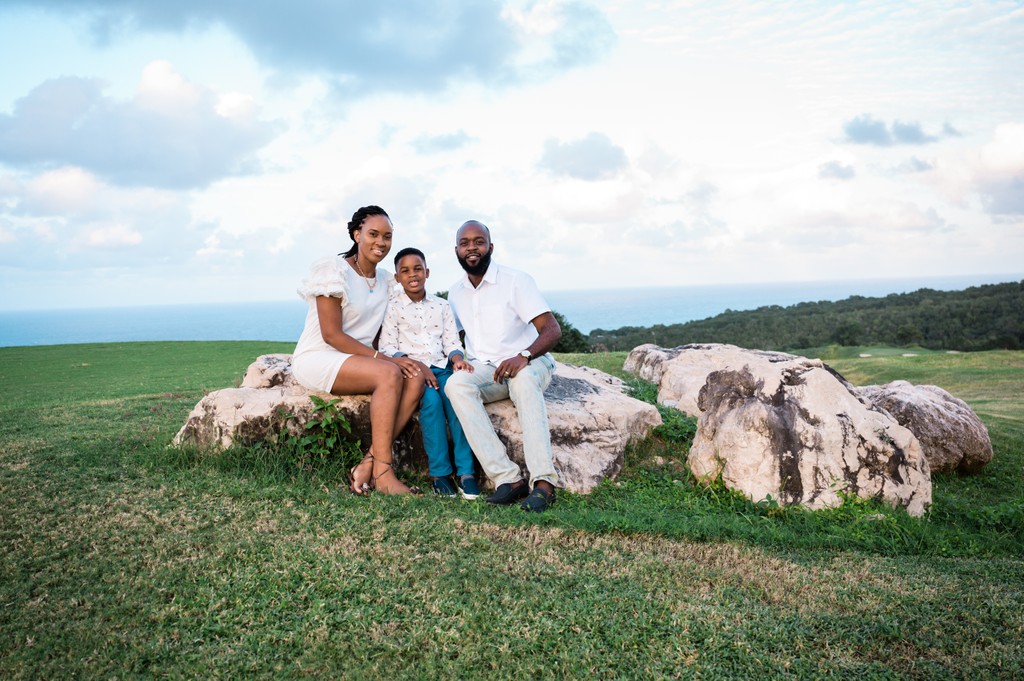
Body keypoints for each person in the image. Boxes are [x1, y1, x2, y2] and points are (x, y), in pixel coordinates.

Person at [291, 205, 424, 496]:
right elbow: (332, 335)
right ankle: (384, 474)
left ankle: (367, 464)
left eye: (387, 236)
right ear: (356, 235)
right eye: (373, 234)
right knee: (389, 373)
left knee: (414, 377)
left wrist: (409, 359)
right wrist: (383, 360)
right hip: (320, 356)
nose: (381, 242)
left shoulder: (387, 280)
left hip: (360, 359)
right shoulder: (334, 270)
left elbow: (385, 334)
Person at [443, 220, 563, 512]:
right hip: (488, 371)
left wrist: (524, 355)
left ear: (491, 247)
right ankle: (508, 479)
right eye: (464, 243)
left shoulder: (516, 281)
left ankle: (544, 484)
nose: (472, 248)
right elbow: (451, 337)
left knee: (523, 380)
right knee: (456, 385)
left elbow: (552, 330)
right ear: (456, 250)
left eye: (478, 241)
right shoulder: (455, 292)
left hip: (530, 362)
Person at [379, 247, 481, 499]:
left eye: (418, 269)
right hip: (413, 372)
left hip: (442, 367)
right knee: (432, 404)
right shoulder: (392, 308)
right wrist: (417, 365)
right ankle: (440, 475)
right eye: (405, 271)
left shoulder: (442, 305)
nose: (412, 275)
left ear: (427, 272)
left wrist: (457, 359)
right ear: (397, 277)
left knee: (456, 401)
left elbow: (451, 341)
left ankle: (466, 472)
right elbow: (387, 346)